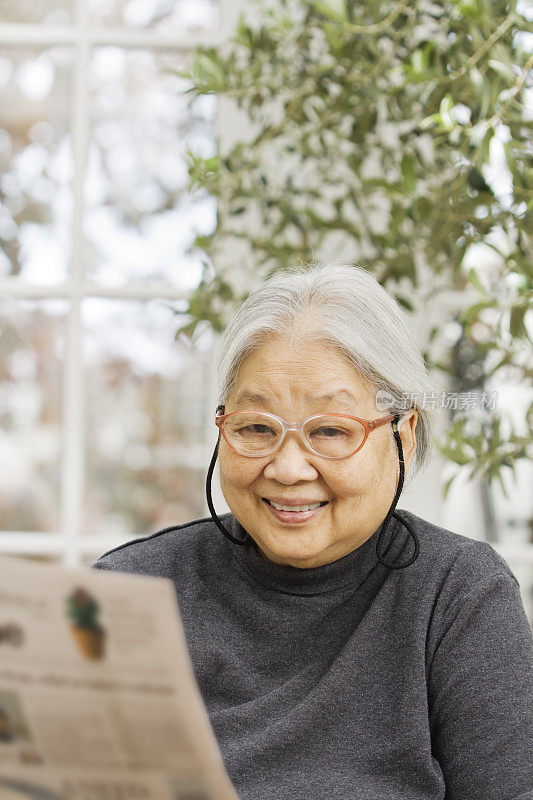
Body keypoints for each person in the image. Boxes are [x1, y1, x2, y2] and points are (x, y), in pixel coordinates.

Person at [94, 264, 533, 800]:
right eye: (256, 427)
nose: (287, 469)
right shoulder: (127, 591)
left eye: (330, 431)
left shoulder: (459, 596)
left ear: (405, 436)